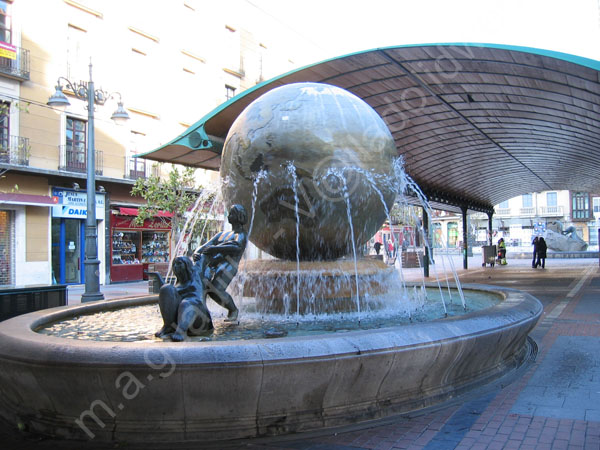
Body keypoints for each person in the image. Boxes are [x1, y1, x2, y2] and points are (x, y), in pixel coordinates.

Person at [155, 204, 248, 342]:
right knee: (206, 287)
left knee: (215, 288)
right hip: (213, 264)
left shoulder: (240, 235)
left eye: (232, 214)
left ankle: (233, 309)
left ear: (239, 217)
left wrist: (214, 249)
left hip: (228, 265)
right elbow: (204, 247)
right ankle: (178, 320)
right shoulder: (222, 234)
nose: (228, 216)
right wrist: (198, 253)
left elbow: (236, 246)